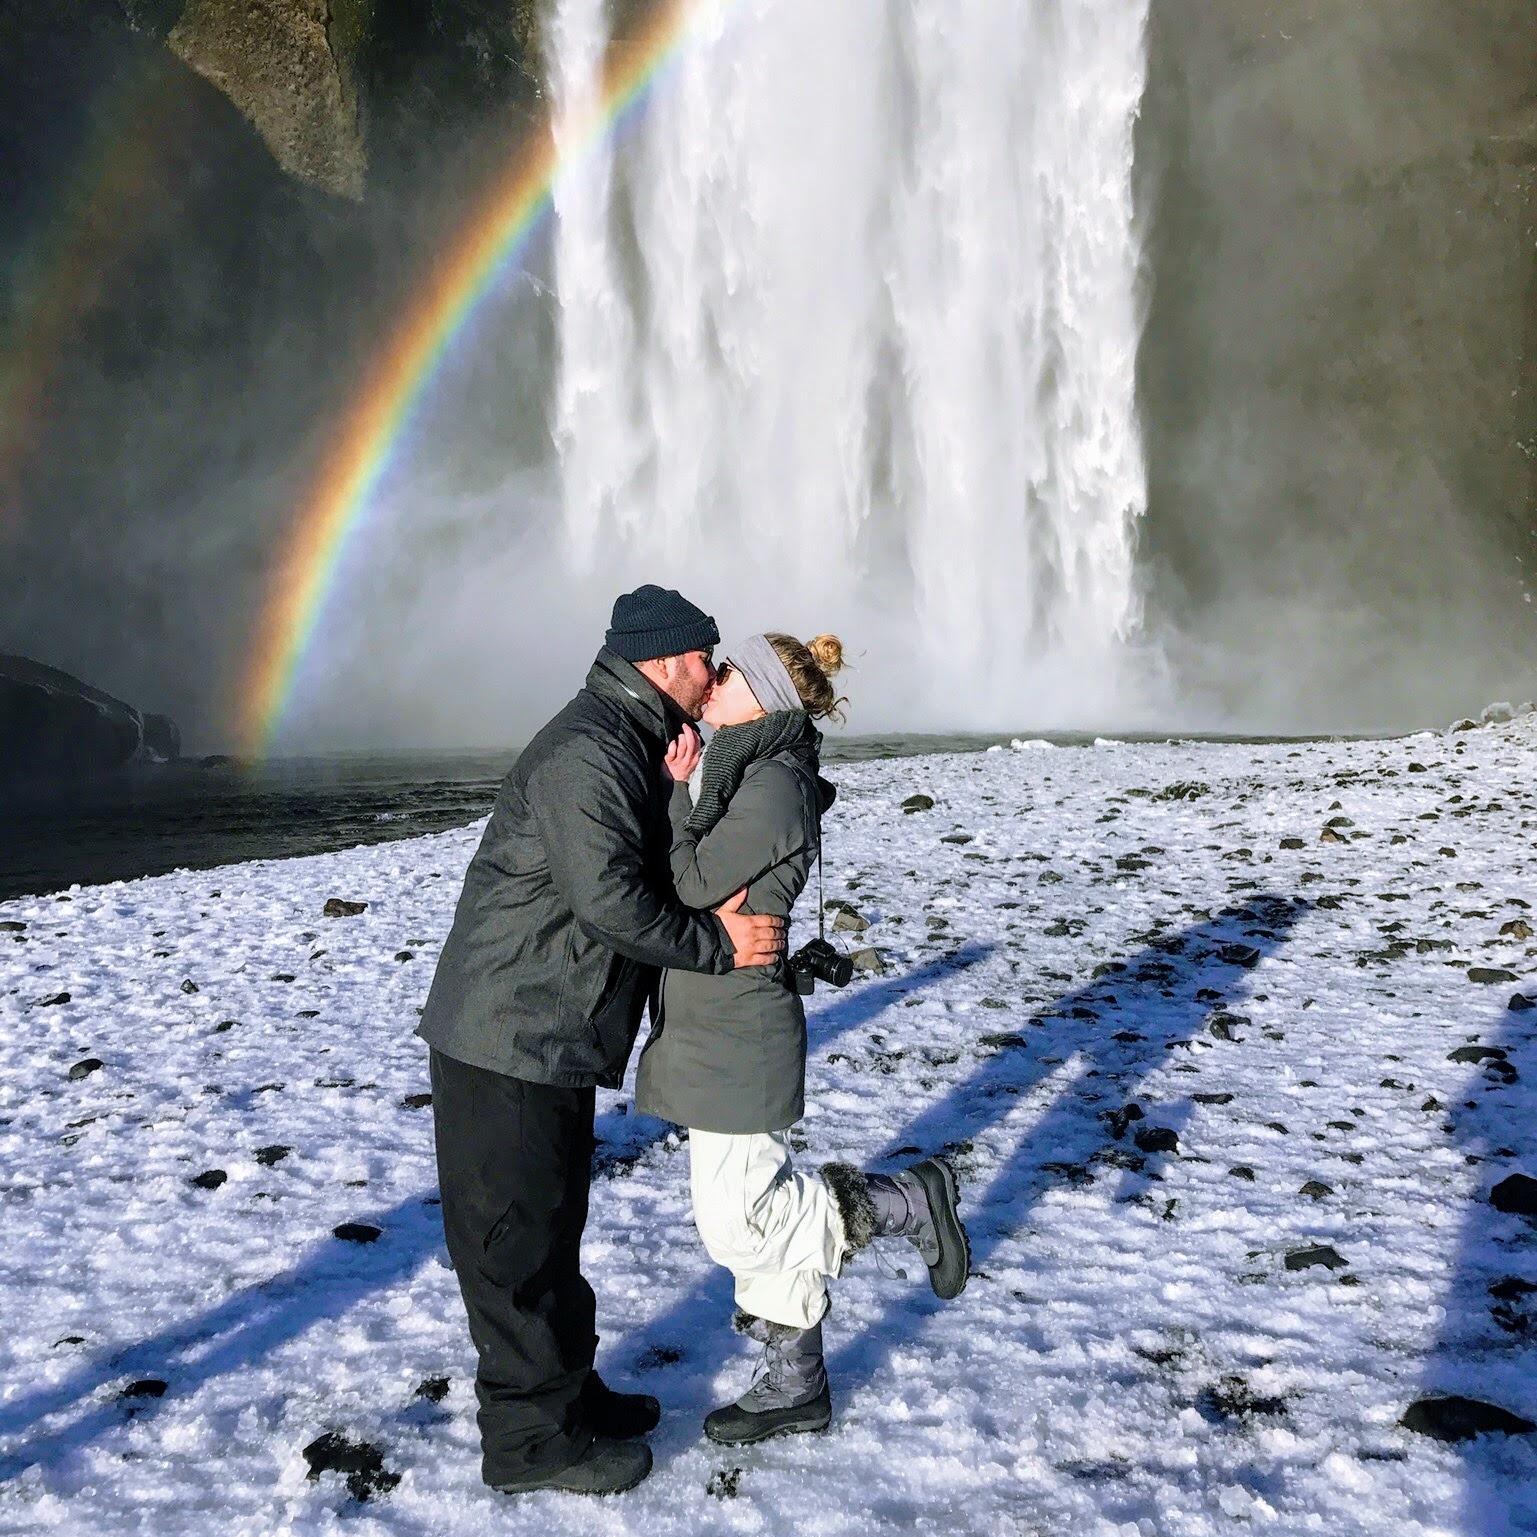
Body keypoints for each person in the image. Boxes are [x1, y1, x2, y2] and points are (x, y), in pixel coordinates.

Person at [416, 585, 788, 1497]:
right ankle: (528, 1441)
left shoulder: (622, 737)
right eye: (707, 658)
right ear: (666, 662)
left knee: (549, 1224)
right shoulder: (588, 749)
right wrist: (719, 943)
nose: (716, 674)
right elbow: (610, 900)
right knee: (513, 1244)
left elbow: (627, 866)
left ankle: (569, 1395)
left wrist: (671, 788)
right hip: (508, 1032)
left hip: (545, 1026)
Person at [634, 631, 971, 1446]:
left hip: (739, 1024)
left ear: (761, 697)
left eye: (728, 673)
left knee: (739, 1221)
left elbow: (689, 882)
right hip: (715, 1018)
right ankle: (797, 1384)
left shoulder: (773, 784)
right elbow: (700, 890)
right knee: (750, 1211)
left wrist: (676, 796)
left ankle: (901, 1200)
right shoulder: (747, 770)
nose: (709, 680)